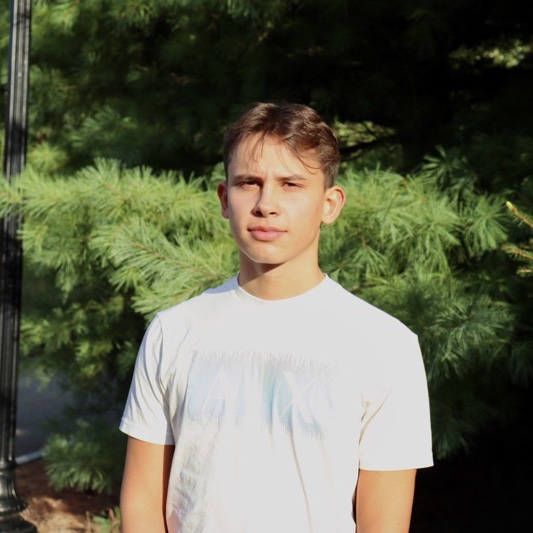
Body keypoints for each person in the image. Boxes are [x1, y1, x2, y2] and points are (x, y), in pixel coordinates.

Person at [119, 102, 433, 532]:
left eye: (291, 184)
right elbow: (141, 503)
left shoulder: (385, 344)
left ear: (330, 203)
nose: (267, 204)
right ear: (225, 198)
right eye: (250, 182)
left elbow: (384, 523)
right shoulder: (173, 332)